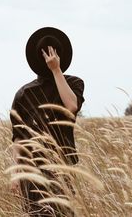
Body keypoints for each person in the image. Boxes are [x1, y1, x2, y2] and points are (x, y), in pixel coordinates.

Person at [10, 27, 85, 217]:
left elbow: (71, 106)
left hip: (61, 167)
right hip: (32, 169)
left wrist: (56, 70)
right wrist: (16, 172)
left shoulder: (74, 83)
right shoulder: (24, 93)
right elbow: (19, 137)